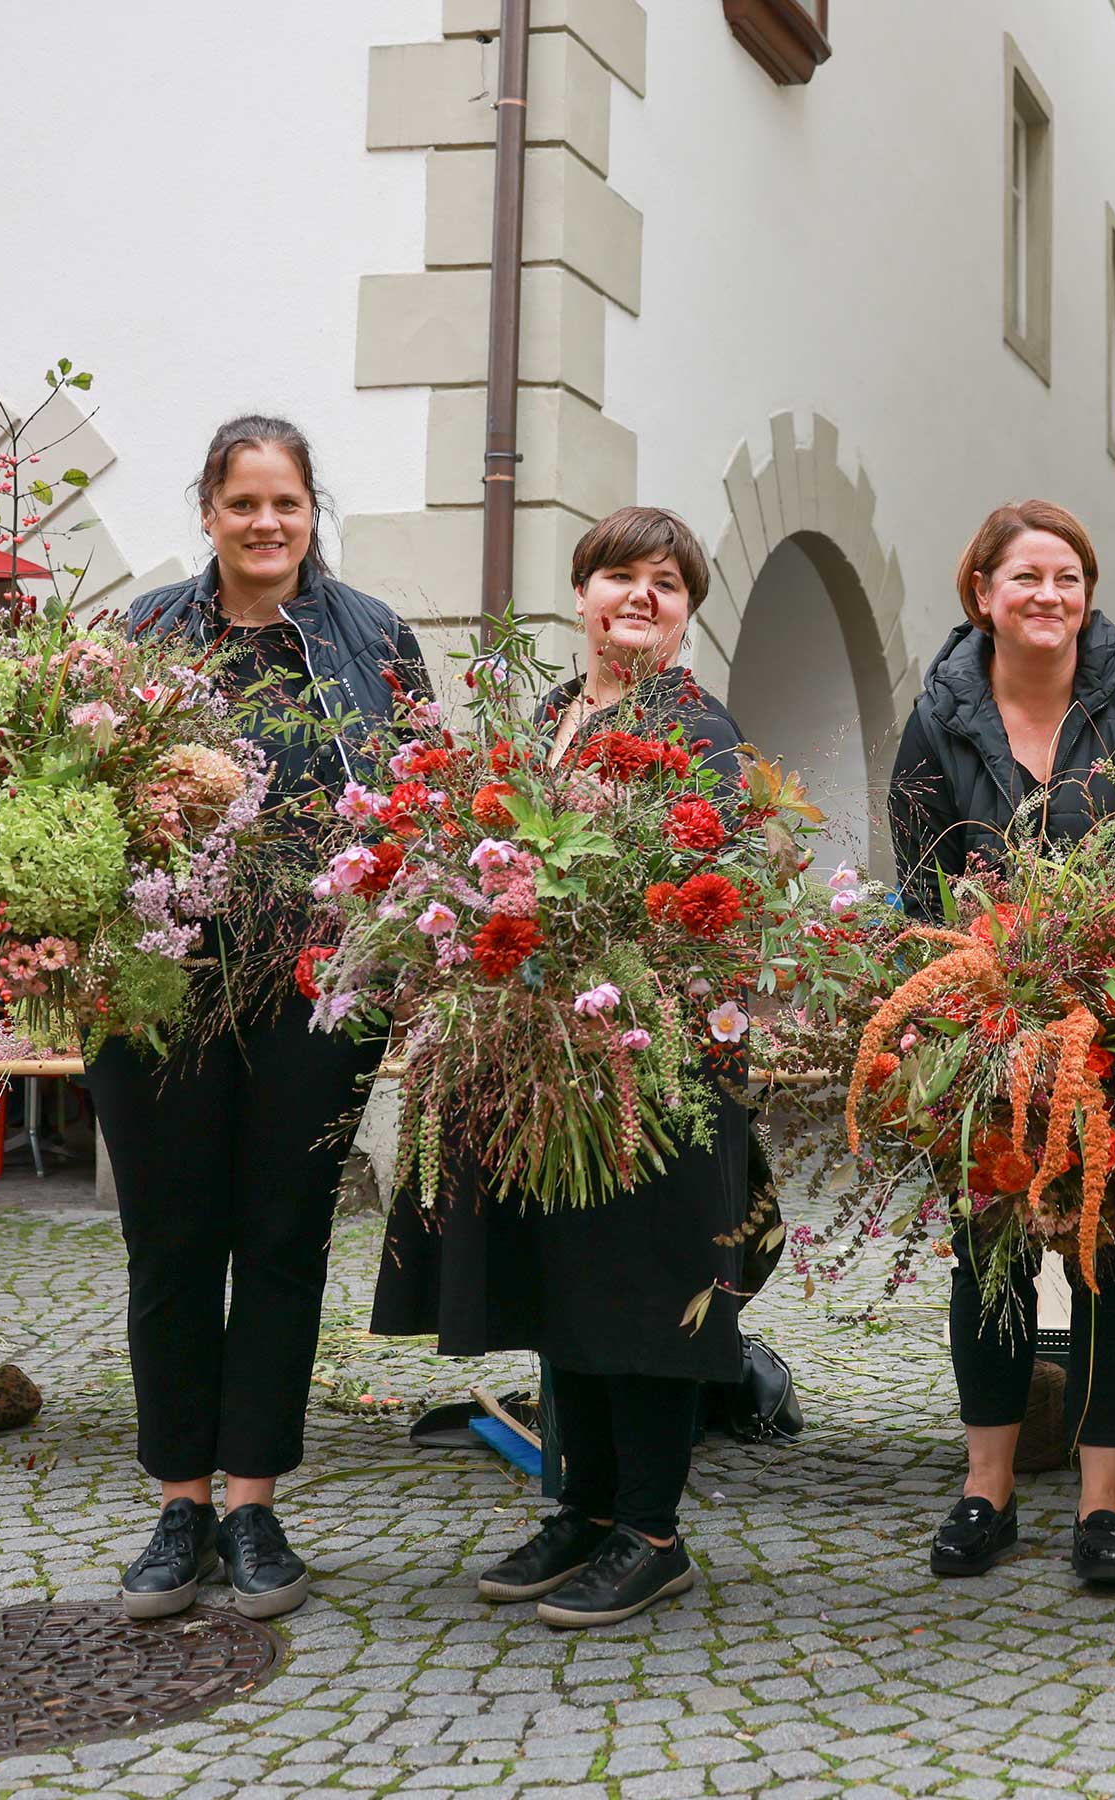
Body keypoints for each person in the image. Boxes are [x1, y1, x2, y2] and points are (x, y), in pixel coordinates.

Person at [372, 506, 754, 1629]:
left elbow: (703, 891)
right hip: (543, 1053)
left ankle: (651, 1532)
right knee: (566, 1283)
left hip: (651, 1058)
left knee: (644, 1290)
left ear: (686, 613)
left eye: (666, 583)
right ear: (581, 595)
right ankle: (583, 1510)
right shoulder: (547, 718)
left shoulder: (699, 730)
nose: (641, 597)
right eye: (620, 576)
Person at [103, 416, 430, 1620]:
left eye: (285, 502)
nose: (264, 523)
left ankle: (253, 1505)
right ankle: (177, 1505)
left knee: (283, 1237)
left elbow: (423, 795)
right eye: (242, 503)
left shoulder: (372, 636)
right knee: (171, 1239)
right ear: (208, 511)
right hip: (157, 981)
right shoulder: (143, 633)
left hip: (317, 984)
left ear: (309, 511)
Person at [887, 500, 1115, 1591]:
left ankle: (1103, 1501)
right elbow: (922, 885)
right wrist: (968, 1000)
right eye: (1025, 576)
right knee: (991, 1248)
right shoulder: (938, 716)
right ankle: (987, 1488)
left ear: (1087, 593)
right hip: (983, 1022)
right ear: (981, 592)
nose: (1047, 595)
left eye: (1066, 576)